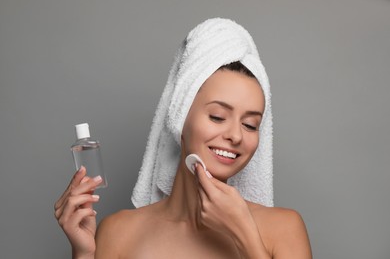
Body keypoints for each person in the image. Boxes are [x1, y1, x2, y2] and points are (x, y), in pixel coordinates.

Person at [54, 18, 312, 259]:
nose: (235, 135)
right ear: (180, 116)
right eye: (217, 117)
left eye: (250, 124)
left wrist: (244, 234)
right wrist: (85, 253)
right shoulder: (120, 232)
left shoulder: (283, 229)